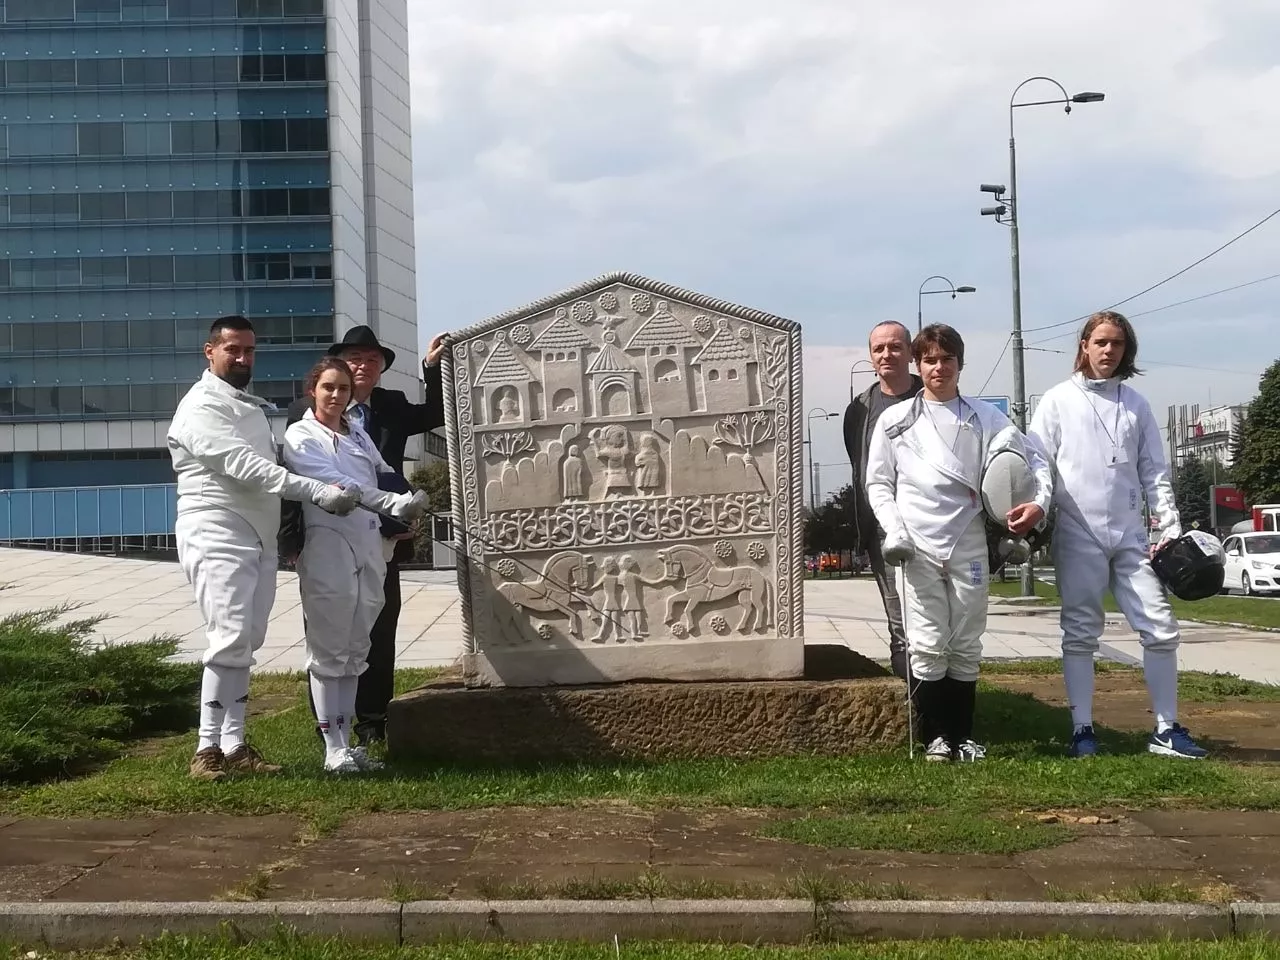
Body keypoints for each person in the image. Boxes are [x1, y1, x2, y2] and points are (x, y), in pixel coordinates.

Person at [167, 316, 363, 781]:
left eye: (249, 350)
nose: (242, 358)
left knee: (247, 640)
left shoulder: (249, 408)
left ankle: (234, 745)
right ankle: (206, 748)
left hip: (258, 536)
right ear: (209, 351)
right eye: (232, 349)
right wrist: (316, 490)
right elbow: (245, 466)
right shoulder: (198, 407)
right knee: (229, 636)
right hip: (216, 528)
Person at [865, 324, 1051, 762]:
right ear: (918, 365)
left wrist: (1038, 504)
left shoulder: (987, 418)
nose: (939, 368)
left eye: (947, 359)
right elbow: (878, 483)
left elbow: (1032, 460)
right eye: (930, 360)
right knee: (927, 641)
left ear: (960, 364)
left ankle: (963, 735)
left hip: (968, 541)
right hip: (917, 546)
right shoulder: (896, 421)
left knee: (966, 640)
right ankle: (936, 737)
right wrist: (895, 529)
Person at [1029, 310, 1207, 760]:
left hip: (1130, 536)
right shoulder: (1057, 401)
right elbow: (1038, 466)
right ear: (1084, 346)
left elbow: (1154, 472)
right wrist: (1040, 507)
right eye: (1101, 342)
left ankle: (1166, 729)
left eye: (1118, 343)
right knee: (1080, 632)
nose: (1109, 350)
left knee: (1160, 628)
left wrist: (1169, 524)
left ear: (1127, 350)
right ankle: (1082, 730)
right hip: (1078, 532)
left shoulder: (1136, 405)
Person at [280, 324, 447, 747]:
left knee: (376, 629)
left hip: (381, 538)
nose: (362, 367)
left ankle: (372, 721)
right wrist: (291, 541)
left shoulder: (385, 409)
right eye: (353, 359)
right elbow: (297, 480)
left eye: (372, 360)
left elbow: (431, 420)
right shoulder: (303, 418)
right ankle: (330, 731)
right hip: (327, 537)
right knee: (328, 633)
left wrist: (432, 368)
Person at [843, 321, 922, 680]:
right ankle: (913, 704)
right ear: (871, 356)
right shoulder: (859, 409)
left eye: (895, 347)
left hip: (935, 525)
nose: (887, 354)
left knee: (940, 623)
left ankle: (945, 704)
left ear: (910, 353)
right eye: (879, 349)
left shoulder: (932, 396)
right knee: (900, 625)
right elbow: (860, 466)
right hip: (884, 532)